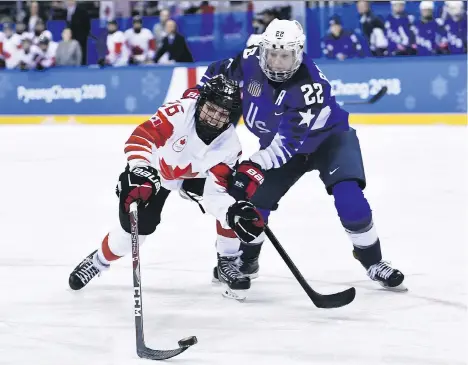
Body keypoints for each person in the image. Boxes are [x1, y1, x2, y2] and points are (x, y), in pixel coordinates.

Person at [195, 19, 406, 298]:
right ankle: (246, 259)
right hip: (280, 146)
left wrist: (253, 164)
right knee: (254, 205)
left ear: (299, 53)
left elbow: (286, 146)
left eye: (286, 55)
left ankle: (374, 262)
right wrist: (193, 107)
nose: (278, 62)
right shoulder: (247, 60)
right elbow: (214, 77)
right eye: (273, 54)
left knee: (350, 199)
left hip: (330, 141)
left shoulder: (308, 85)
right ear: (262, 50)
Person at [68, 75, 265, 300]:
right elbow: (141, 138)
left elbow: (215, 195)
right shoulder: (179, 113)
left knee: (233, 196)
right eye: (211, 108)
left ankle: (227, 261)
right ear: (201, 102)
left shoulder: (229, 145)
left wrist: (232, 213)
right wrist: (140, 169)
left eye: (223, 114)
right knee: (134, 231)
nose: (214, 118)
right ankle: (97, 261)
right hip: (155, 172)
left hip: (193, 176)